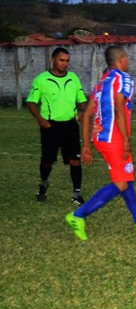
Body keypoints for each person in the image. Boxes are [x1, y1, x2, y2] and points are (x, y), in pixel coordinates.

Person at [65, 46, 136, 241]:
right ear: (121, 59)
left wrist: (86, 145)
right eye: (127, 58)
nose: (128, 62)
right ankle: (78, 215)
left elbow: (86, 115)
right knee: (120, 183)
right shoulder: (124, 79)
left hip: (100, 137)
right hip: (115, 138)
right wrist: (126, 139)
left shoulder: (102, 82)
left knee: (125, 177)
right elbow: (119, 109)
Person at [25, 47, 88, 204]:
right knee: (47, 161)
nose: (65, 64)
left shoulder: (73, 78)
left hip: (70, 126)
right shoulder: (42, 79)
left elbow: (81, 99)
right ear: (53, 60)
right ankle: (44, 183)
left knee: (75, 161)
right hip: (50, 127)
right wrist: (40, 119)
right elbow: (31, 102)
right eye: (62, 60)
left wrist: (82, 111)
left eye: (67, 61)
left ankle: (76, 194)